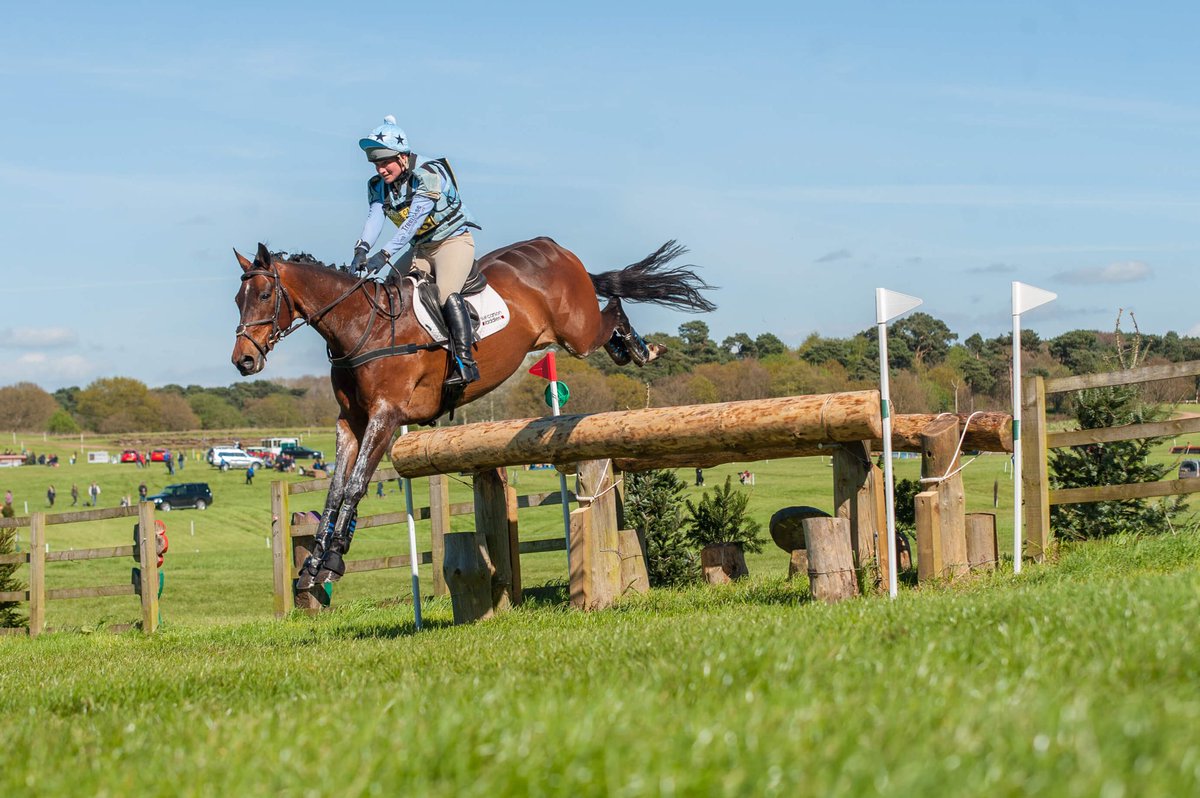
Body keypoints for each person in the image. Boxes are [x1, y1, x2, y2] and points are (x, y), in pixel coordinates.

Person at [353, 115, 482, 387]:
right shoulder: (378, 187)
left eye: (385, 162)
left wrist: (385, 254)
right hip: (421, 249)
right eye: (376, 163)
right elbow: (375, 217)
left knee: (446, 295)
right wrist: (362, 249)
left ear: (402, 157)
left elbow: (412, 222)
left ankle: (465, 363)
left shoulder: (428, 174)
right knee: (390, 289)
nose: (380, 170)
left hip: (452, 242)